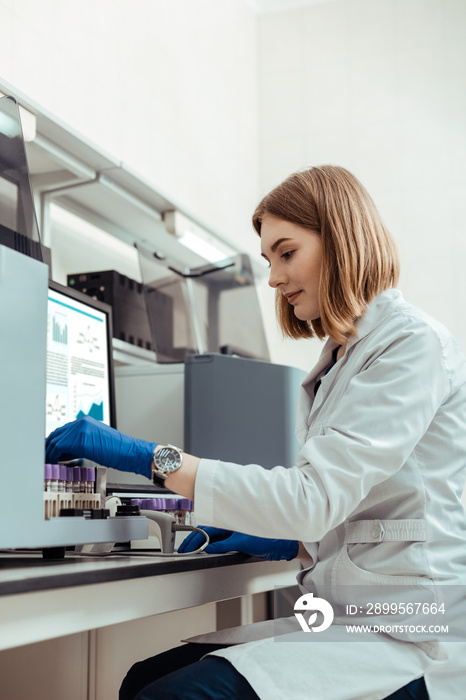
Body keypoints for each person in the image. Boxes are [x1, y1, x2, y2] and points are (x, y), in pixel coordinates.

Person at [45, 165, 466, 700]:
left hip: (406, 636)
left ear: (341, 241)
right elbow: (356, 502)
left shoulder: (411, 345)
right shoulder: (343, 358)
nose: (273, 278)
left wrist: (149, 457)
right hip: (348, 620)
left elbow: (314, 497)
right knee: (141, 680)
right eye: (270, 260)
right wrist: (290, 538)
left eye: (286, 253)